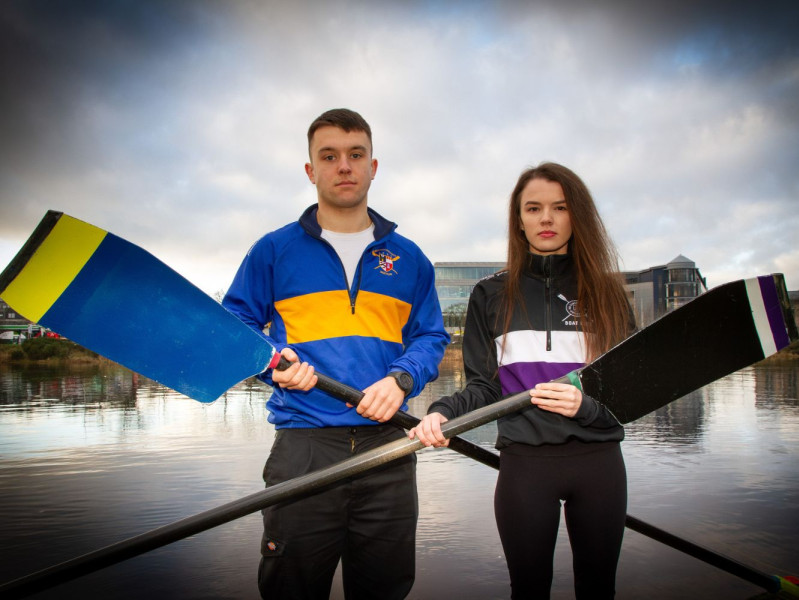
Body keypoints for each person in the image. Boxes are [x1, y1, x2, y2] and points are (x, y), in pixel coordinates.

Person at [223, 108, 449, 600]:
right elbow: (235, 326)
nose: (343, 166)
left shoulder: (409, 258)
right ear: (311, 170)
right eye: (329, 156)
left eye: (355, 155)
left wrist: (401, 380)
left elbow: (431, 337)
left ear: (373, 166)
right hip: (303, 448)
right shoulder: (273, 250)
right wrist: (274, 366)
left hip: (389, 445)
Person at [409, 162, 633, 599]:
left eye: (559, 207)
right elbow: (484, 388)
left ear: (577, 216)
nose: (545, 218)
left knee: (598, 589)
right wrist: (440, 412)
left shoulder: (607, 293)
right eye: (533, 208)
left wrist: (585, 405)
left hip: (599, 461)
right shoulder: (490, 294)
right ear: (519, 219)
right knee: (528, 590)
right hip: (525, 466)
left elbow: (627, 392)